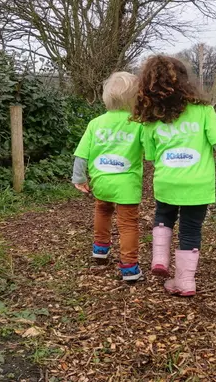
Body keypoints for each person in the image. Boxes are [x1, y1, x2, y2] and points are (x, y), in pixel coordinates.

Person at [133, 56, 216, 296]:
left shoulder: (152, 119)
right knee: (190, 229)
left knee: (163, 216)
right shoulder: (203, 110)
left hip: (167, 181)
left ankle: (160, 259)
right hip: (197, 184)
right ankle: (185, 282)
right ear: (185, 81)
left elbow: (151, 156)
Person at [72, 72, 144, 281]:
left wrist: (79, 178)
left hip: (101, 180)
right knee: (128, 224)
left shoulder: (95, 123)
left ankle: (100, 249)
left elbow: (81, 153)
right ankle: (129, 268)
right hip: (127, 183)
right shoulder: (138, 123)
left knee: (102, 211)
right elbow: (151, 152)